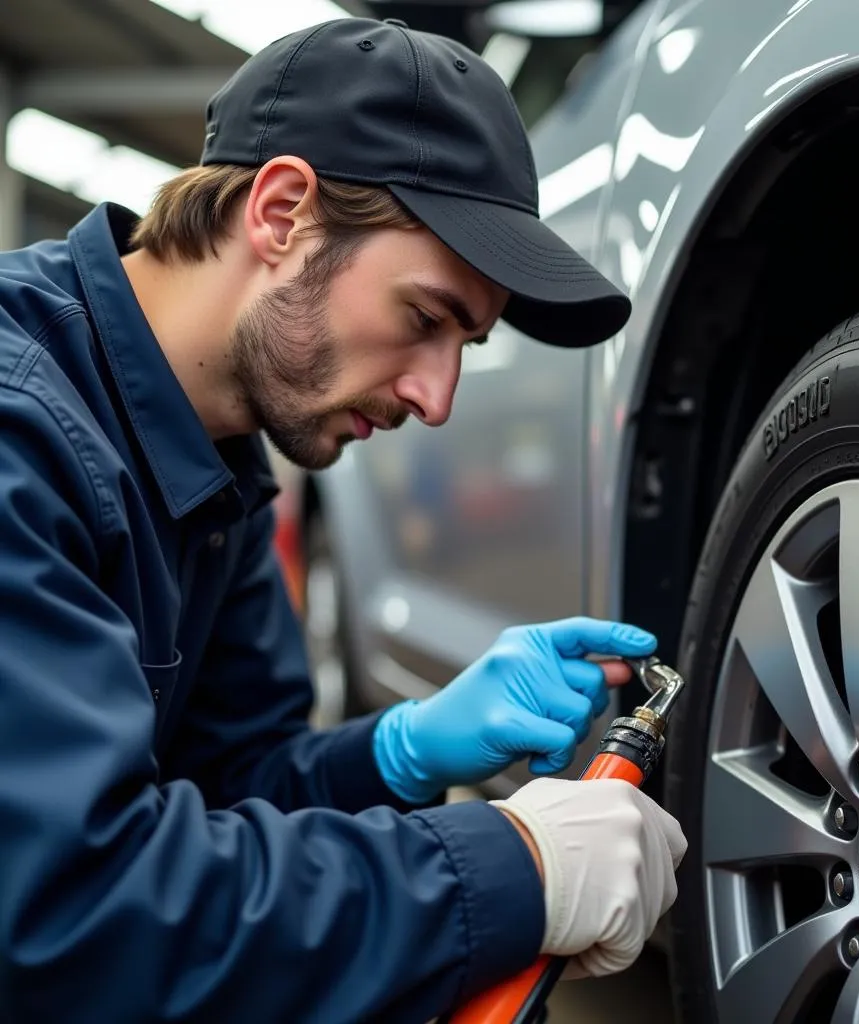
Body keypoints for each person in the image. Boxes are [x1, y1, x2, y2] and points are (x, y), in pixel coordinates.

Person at [0, 15, 686, 1024]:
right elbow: (66, 918)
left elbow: (226, 790)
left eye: (467, 343)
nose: (437, 396)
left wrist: (394, 751)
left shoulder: (216, 464)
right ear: (281, 213)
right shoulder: (23, 433)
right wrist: (509, 865)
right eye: (424, 317)